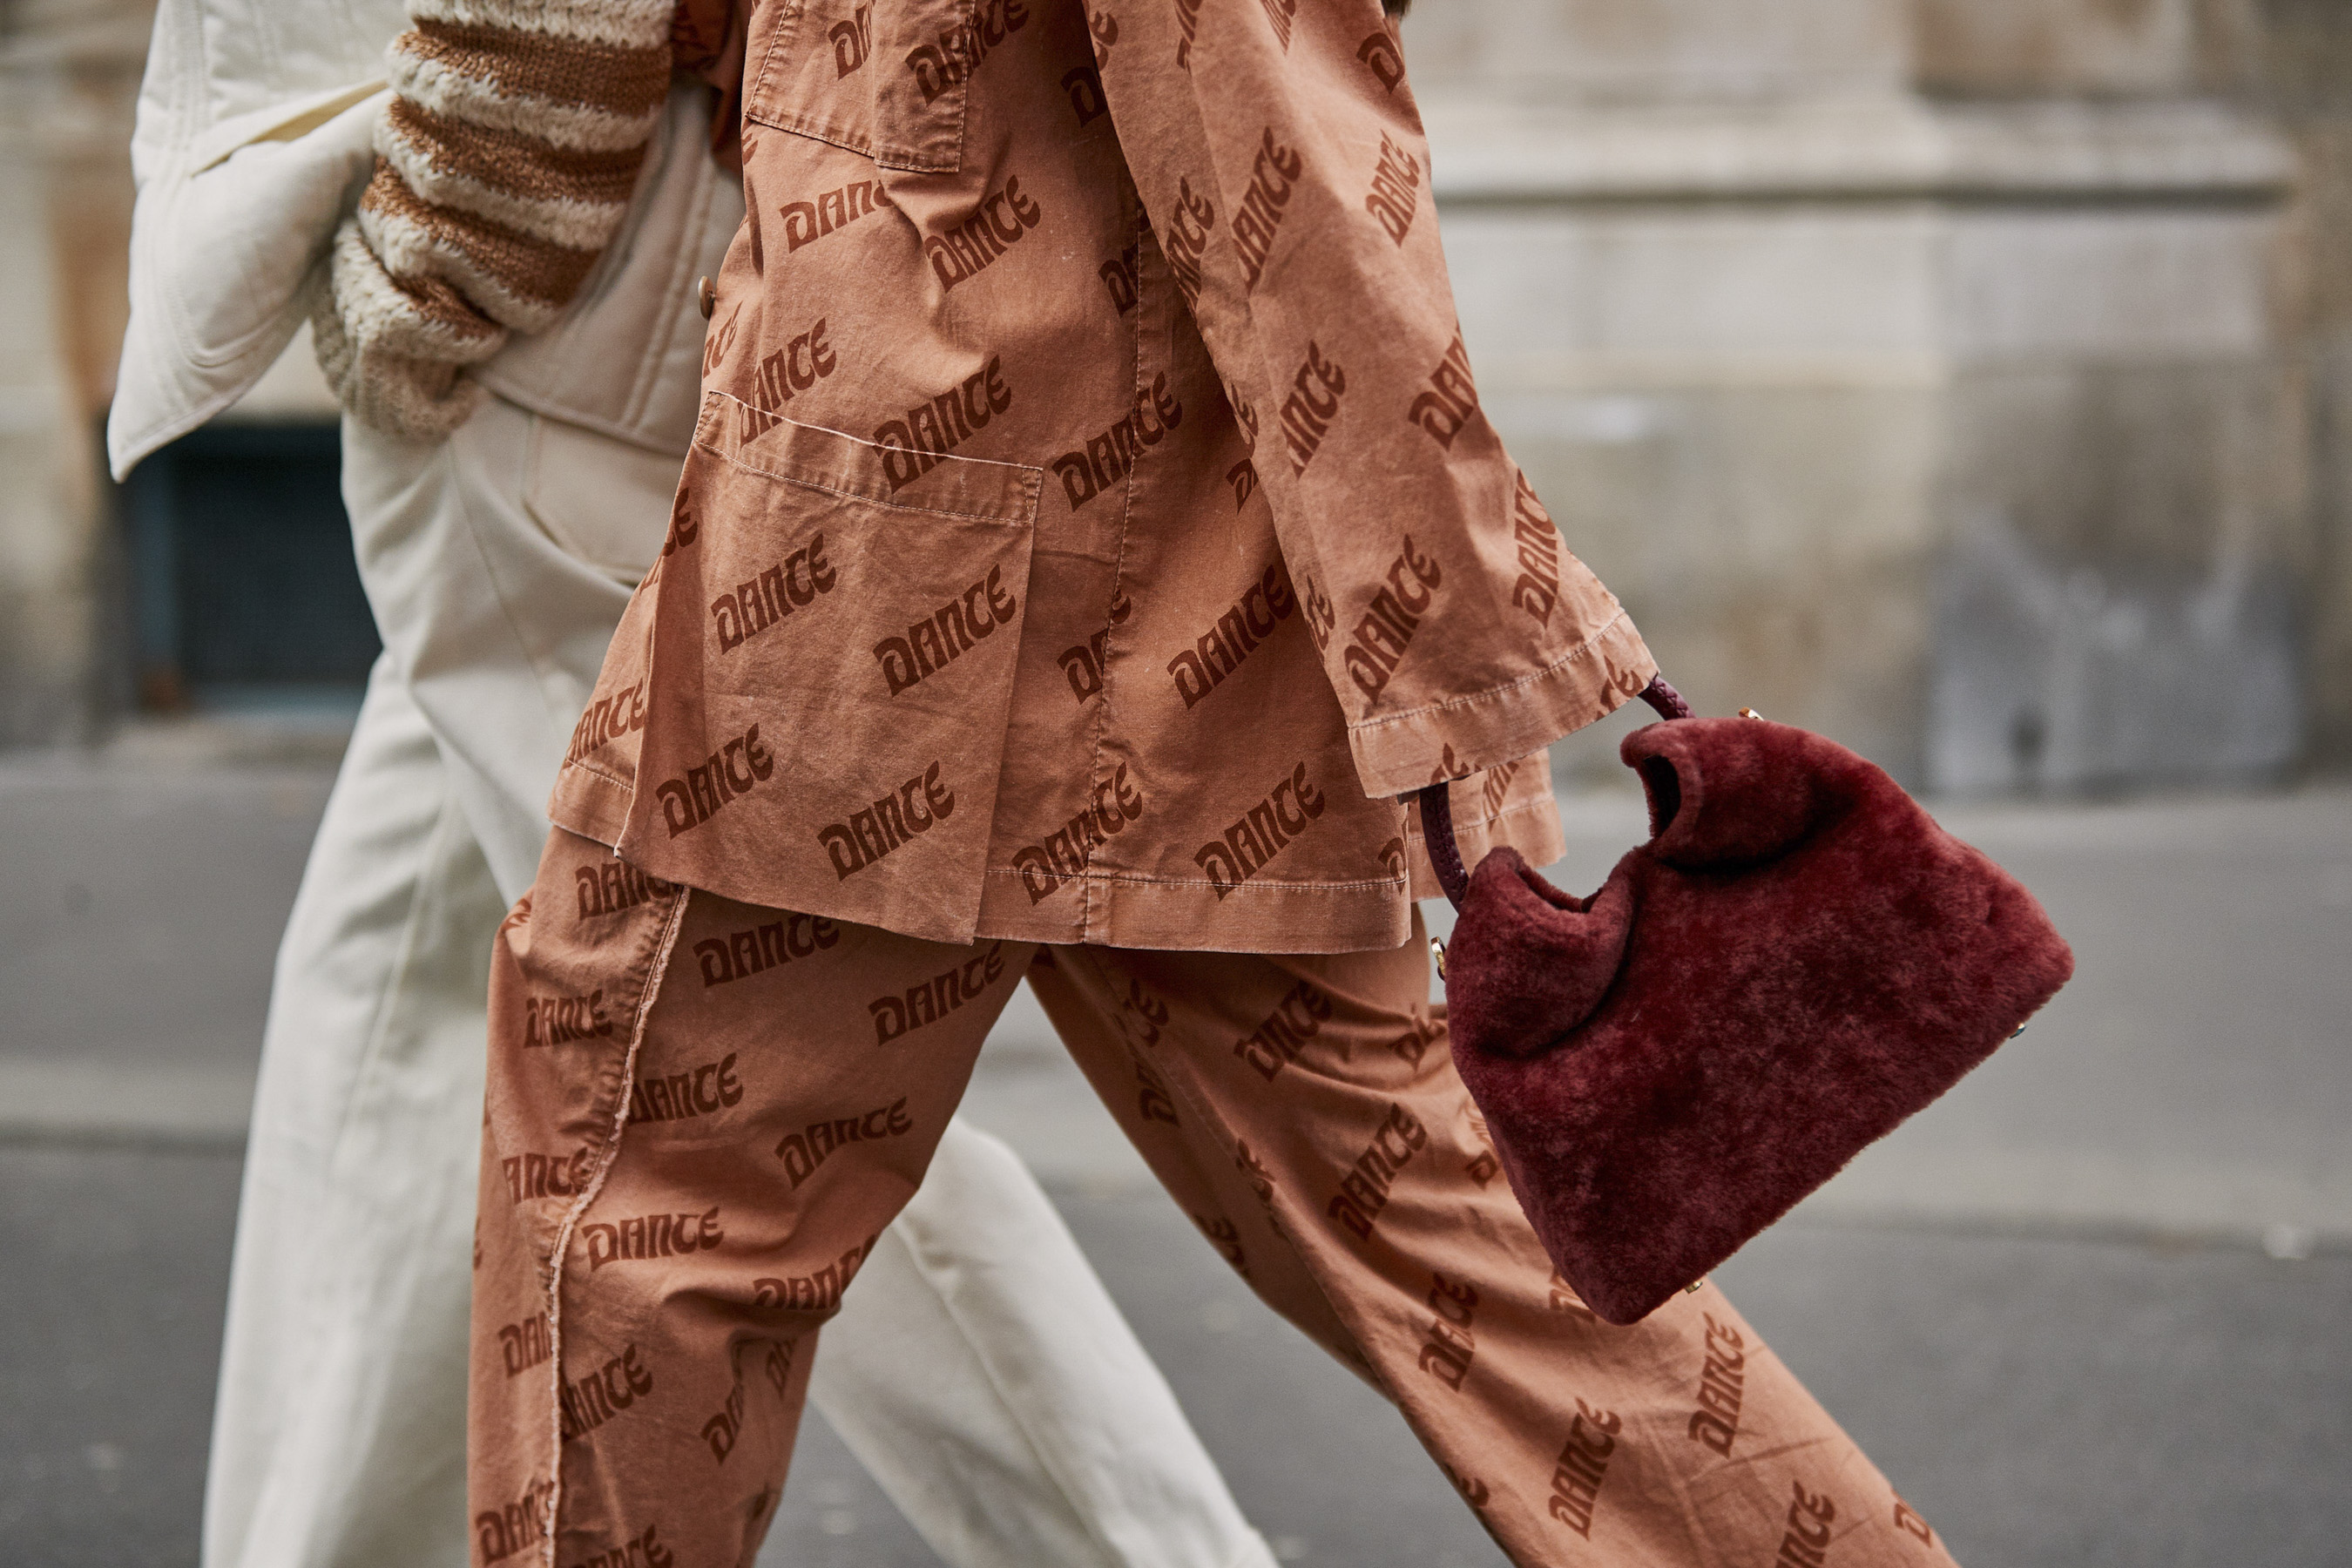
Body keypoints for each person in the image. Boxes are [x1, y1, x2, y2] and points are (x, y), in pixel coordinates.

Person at [460, 0, 1970, 1560]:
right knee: (1455, 1243)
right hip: (1159, 577)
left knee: (638, 1197)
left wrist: (1460, 630)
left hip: (929, 557)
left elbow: (1275, 143)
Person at [109, 3, 1281, 1566]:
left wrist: (473, 202)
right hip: (593, 222)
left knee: (745, 1089)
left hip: (545, 251)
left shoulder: (509, 202)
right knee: (405, 993)